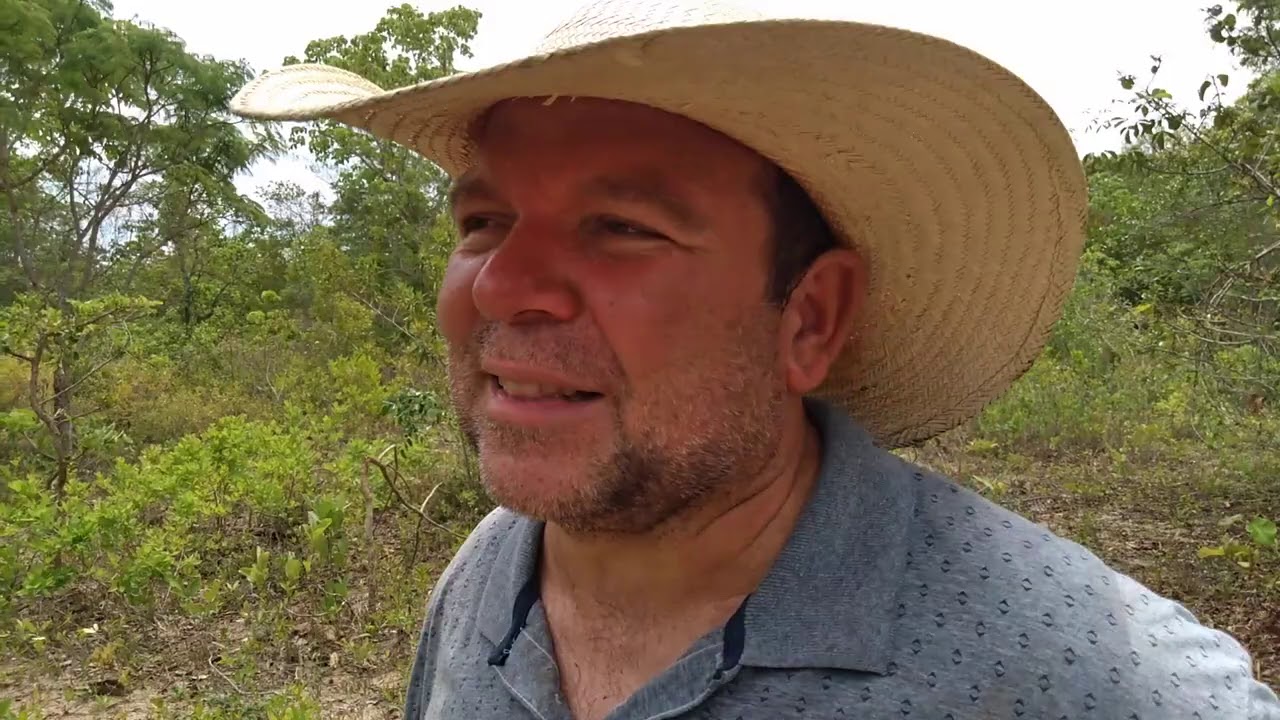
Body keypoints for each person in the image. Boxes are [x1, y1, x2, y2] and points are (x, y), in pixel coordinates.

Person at [231, 1, 1280, 718]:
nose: (504, 287)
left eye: (621, 228)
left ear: (810, 319)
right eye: (483, 222)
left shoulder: (1078, 666)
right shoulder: (486, 579)